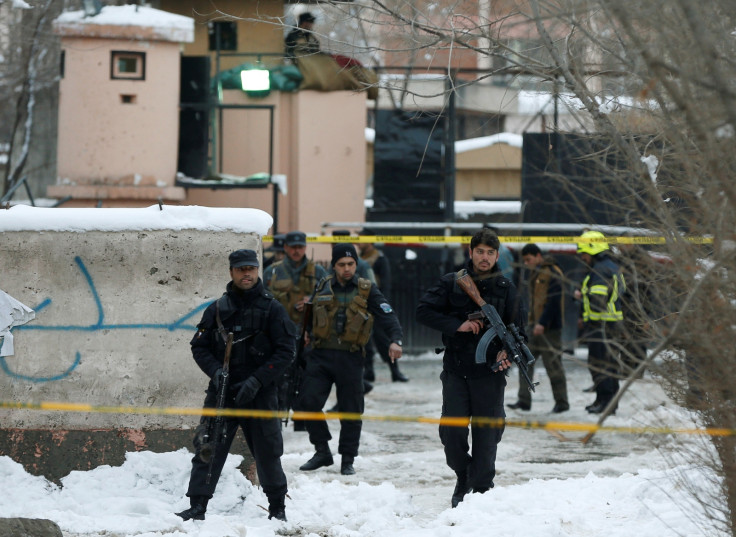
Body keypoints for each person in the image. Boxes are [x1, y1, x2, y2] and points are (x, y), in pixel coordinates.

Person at [176, 249, 295, 522]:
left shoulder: (272, 309)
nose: (246, 274)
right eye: (241, 269)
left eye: (251, 269)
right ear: (232, 272)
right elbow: (199, 346)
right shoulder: (217, 309)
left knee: (267, 451)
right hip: (224, 392)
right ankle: (197, 506)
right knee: (208, 447)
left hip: (259, 394)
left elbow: (286, 351)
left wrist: (257, 380)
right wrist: (216, 372)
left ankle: (277, 507)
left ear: (257, 270)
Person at [415, 228, 521, 508]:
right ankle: (463, 475)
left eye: (490, 252)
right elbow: (422, 311)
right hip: (456, 371)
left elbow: (518, 331)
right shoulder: (452, 283)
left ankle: (482, 489)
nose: (484, 257)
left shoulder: (506, 289)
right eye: (480, 251)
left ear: (497, 255)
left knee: (487, 436)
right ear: (470, 252)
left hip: (490, 374)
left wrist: (507, 352)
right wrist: (457, 325)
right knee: (452, 433)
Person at [296, 243, 404, 476]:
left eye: (351, 264)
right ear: (334, 266)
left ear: (356, 264)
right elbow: (310, 314)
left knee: (351, 410)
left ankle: (347, 459)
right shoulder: (323, 285)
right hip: (321, 355)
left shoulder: (367, 289)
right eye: (342, 264)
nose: (347, 269)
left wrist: (396, 339)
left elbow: (388, 315)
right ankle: (322, 450)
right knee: (308, 402)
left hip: (351, 357)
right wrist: (303, 334)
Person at [507, 243, 569, 413]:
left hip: (549, 329)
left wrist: (542, 322)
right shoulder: (538, 272)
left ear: (538, 256)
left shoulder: (552, 272)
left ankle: (562, 403)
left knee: (554, 366)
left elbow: (554, 301)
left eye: (529, 259)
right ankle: (524, 400)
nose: (526, 263)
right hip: (536, 326)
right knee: (525, 362)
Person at [574, 231, 625, 414]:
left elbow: (598, 302)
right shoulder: (610, 266)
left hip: (602, 325)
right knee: (607, 364)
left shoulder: (600, 270)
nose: (583, 257)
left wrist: (582, 295)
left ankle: (606, 403)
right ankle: (605, 401)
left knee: (600, 364)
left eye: (584, 253)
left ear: (592, 250)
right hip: (610, 325)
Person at [357, 229, 408, 383]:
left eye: (362, 239)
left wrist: (382, 306)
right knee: (365, 341)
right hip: (361, 306)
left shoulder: (379, 258)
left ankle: (395, 371)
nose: (359, 243)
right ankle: (369, 371)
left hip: (375, 305)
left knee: (383, 340)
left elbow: (385, 284)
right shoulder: (357, 260)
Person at [264, 231, 328, 327]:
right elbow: (263, 298)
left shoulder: (318, 271)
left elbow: (329, 295)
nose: (297, 251)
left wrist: (312, 300)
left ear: (305, 247)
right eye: (293, 247)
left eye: (300, 247)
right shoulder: (272, 271)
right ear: (285, 247)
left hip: (309, 327)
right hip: (279, 327)